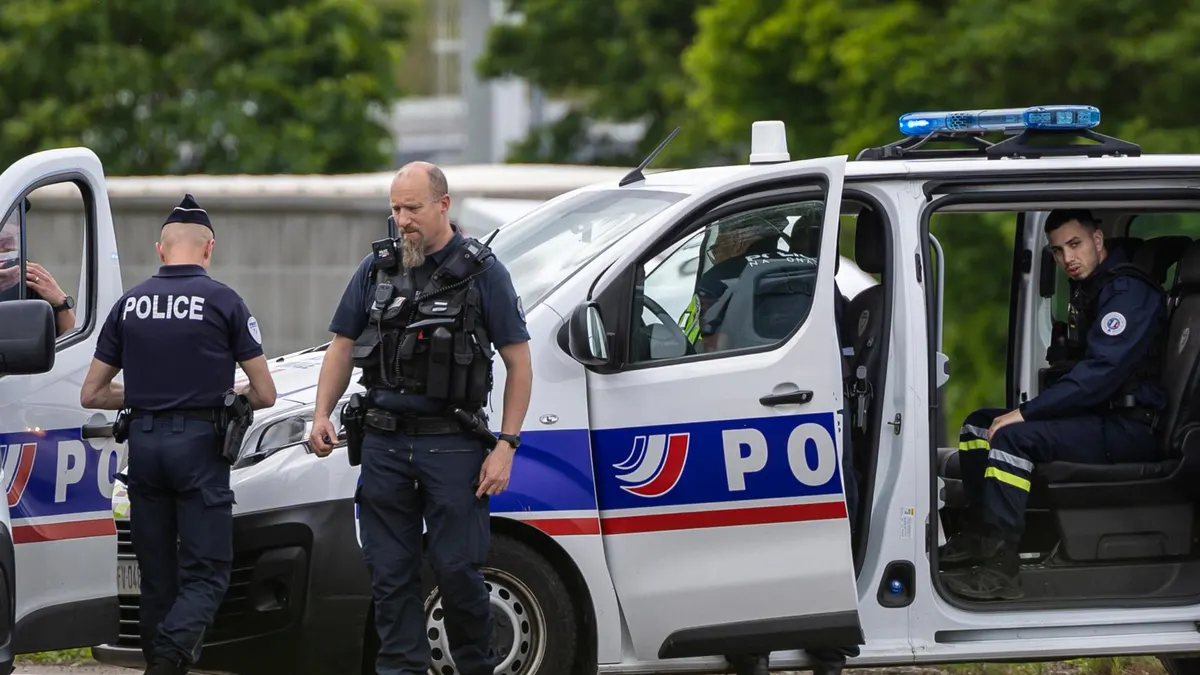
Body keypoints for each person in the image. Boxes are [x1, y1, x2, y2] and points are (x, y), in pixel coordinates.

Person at [307, 161, 533, 675]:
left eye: (412, 208)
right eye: (395, 208)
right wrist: (321, 414)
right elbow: (342, 345)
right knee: (390, 576)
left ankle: (476, 667)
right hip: (384, 445)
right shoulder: (377, 269)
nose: (402, 219)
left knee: (458, 573)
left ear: (443, 205)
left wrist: (507, 445)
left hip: (452, 445)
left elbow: (519, 362)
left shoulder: (483, 272)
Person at [78, 194, 278, 675]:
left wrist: (150, 394)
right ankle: (168, 659)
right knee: (207, 573)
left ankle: (162, 662)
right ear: (209, 248)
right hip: (199, 451)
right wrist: (217, 394)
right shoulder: (225, 301)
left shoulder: (130, 304)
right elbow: (265, 392)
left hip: (145, 451)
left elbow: (92, 393)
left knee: (157, 579)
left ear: (161, 249)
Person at [940, 208, 1168, 601]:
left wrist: (1027, 412)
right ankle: (978, 536)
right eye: (1058, 251)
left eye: (1075, 244)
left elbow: (1100, 374)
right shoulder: (1093, 288)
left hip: (1130, 428)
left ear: (1098, 240)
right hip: (1099, 418)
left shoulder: (1128, 293)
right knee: (978, 425)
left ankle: (1000, 569)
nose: (1067, 259)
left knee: (1012, 439)